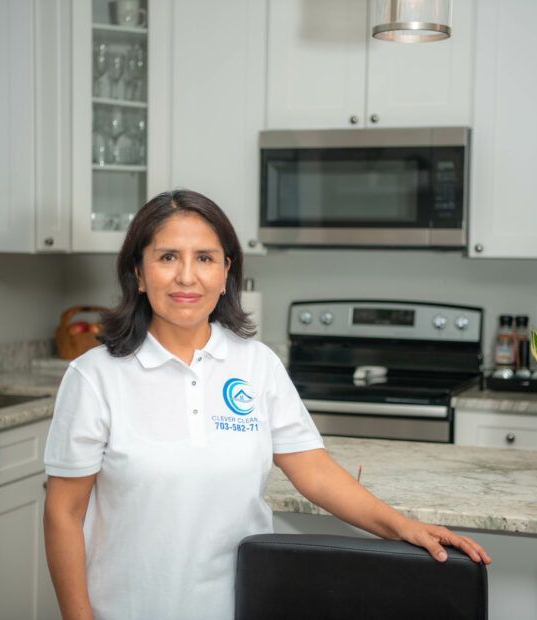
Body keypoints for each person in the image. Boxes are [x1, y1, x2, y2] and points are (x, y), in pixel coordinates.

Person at [43, 189, 491, 620]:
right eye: (167, 257)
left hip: (239, 606)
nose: (186, 276)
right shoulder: (95, 376)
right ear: (139, 274)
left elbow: (312, 469)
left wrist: (402, 527)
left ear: (225, 273)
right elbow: (64, 513)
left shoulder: (256, 365)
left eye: (204, 258)